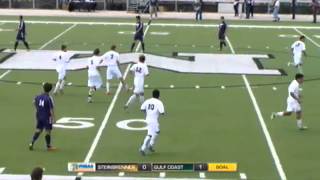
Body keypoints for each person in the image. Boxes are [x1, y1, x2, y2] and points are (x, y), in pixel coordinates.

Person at [29, 83, 56, 151]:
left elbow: (33, 102)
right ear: (50, 90)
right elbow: (51, 109)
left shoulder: (38, 96)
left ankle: (32, 142)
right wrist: (53, 118)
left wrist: (38, 108)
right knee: (48, 131)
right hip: (47, 116)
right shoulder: (49, 98)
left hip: (39, 115)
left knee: (39, 129)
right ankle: (48, 146)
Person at [139, 89, 165, 156]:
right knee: (150, 134)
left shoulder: (148, 100)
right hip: (153, 121)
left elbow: (142, 108)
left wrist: (148, 113)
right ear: (159, 95)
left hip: (148, 119)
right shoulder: (159, 102)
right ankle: (142, 148)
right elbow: (162, 112)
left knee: (157, 132)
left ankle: (150, 145)